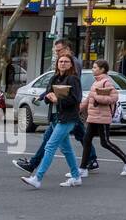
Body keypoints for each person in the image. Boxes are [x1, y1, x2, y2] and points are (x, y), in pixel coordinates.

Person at [15, 40, 91, 174]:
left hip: (67, 115)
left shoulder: (73, 75)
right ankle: (78, 172)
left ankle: (37, 175)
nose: (58, 55)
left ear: (67, 50)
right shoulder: (55, 77)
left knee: (50, 145)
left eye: (59, 51)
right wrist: (45, 96)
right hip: (57, 115)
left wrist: (56, 99)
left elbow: (74, 96)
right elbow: (51, 91)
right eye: (58, 57)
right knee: (67, 146)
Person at [81, 59, 126, 176]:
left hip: (102, 117)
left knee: (105, 142)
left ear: (102, 69)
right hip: (93, 117)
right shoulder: (95, 82)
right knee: (86, 140)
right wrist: (79, 108)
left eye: (95, 67)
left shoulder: (106, 82)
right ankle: (83, 169)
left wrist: (97, 98)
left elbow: (114, 98)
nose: (93, 69)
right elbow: (88, 99)